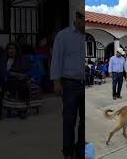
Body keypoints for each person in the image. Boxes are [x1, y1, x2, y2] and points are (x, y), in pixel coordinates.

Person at [50, 9, 85, 159]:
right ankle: (68, 152)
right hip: (70, 84)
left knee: (84, 121)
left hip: (86, 84)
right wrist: (56, 81)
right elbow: (56, 59)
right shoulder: (63, 36)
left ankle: (80, 150)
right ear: (77, 18)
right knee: (69, 120)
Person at [0, 43, 32, 119]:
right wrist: (15, 74)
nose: (11, 50)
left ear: (16, 50)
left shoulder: (20, 59)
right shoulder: (3, 59)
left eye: (13, 48)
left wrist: (23, 75)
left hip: (19, 79)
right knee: (20, 85)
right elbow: (2, 70)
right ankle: (22, 110)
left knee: (22, 84)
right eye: (9, 49)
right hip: (6, 79)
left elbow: (25, 70)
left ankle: (22, 109)